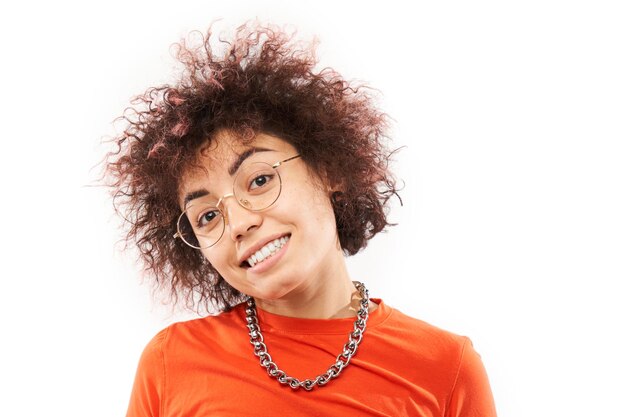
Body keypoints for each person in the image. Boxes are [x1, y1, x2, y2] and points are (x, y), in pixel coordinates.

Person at [104, 22, 497, 417]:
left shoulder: (446, 368)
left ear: (329, 170)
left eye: (259, 180)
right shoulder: (170, 364)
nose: (239, 222)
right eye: (207, 215)